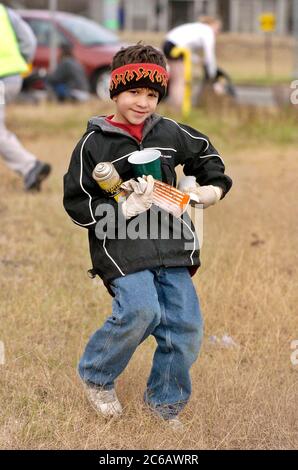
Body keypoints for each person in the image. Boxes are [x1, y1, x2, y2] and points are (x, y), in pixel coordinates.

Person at [63, 44, 232, 429]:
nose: (143, 102)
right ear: (115, 90)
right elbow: (76, 202)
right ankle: (97, 375)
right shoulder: (94, 143)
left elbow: (207, 157)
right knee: (142, 311)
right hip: (121, 246)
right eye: (134, 92)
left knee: (185, 327)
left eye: (152, 94)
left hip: (172, 244)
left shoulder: (170, 131)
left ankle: (164, 406)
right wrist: (122, 209)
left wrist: (211, 190)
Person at [0, 3, 51, 191]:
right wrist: (20, 62)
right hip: (12, 78)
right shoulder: (5, 12)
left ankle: (30, 166)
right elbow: (28, 39)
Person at [162, 16, 222, 111]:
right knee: (180, 81)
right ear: (212, 25)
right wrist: (213, 76)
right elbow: (210, 56)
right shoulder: (207, 31)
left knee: (175, 80)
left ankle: (173, 106)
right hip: (175, 47)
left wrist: (198, 60)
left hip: (168, 44)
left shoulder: (197, 28)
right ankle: (178, 108)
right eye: (218, 28)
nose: (218, 32)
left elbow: (189, 51)